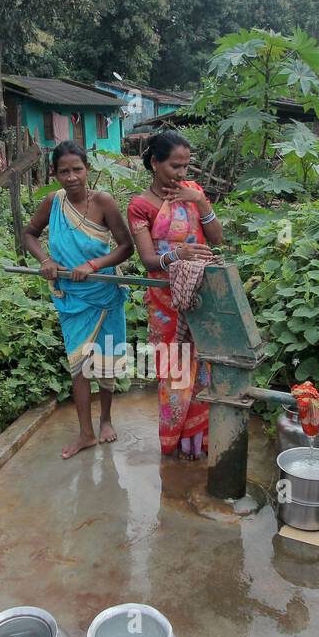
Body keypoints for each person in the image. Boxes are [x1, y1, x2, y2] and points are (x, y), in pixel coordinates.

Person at [23, 141, 135, 459]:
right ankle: (85, 433)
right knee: (79, 366)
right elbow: (29, 233)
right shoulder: (52, 203)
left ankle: (106, 420)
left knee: (106, 362)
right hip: (71, 297)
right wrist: (45, 260)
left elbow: (126, 247)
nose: (71, 177)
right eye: (64, 171)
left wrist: (94, 265)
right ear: (54, 173)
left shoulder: (103, 202)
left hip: (104, 293)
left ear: (87, 169)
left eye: (77, 169)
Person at [126, 130, 224, 460]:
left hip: (200, 296)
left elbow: (217, 239)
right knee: (175, 375)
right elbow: (148, 260)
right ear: (155, 163)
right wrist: (178, 256)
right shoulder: (141, 207)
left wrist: (199, 201)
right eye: (174, 166)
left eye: (186, 166)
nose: (182, 174)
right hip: (167, 303)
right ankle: (174, 445)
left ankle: (200, 444)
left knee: (203, 372)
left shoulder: (193, 192)